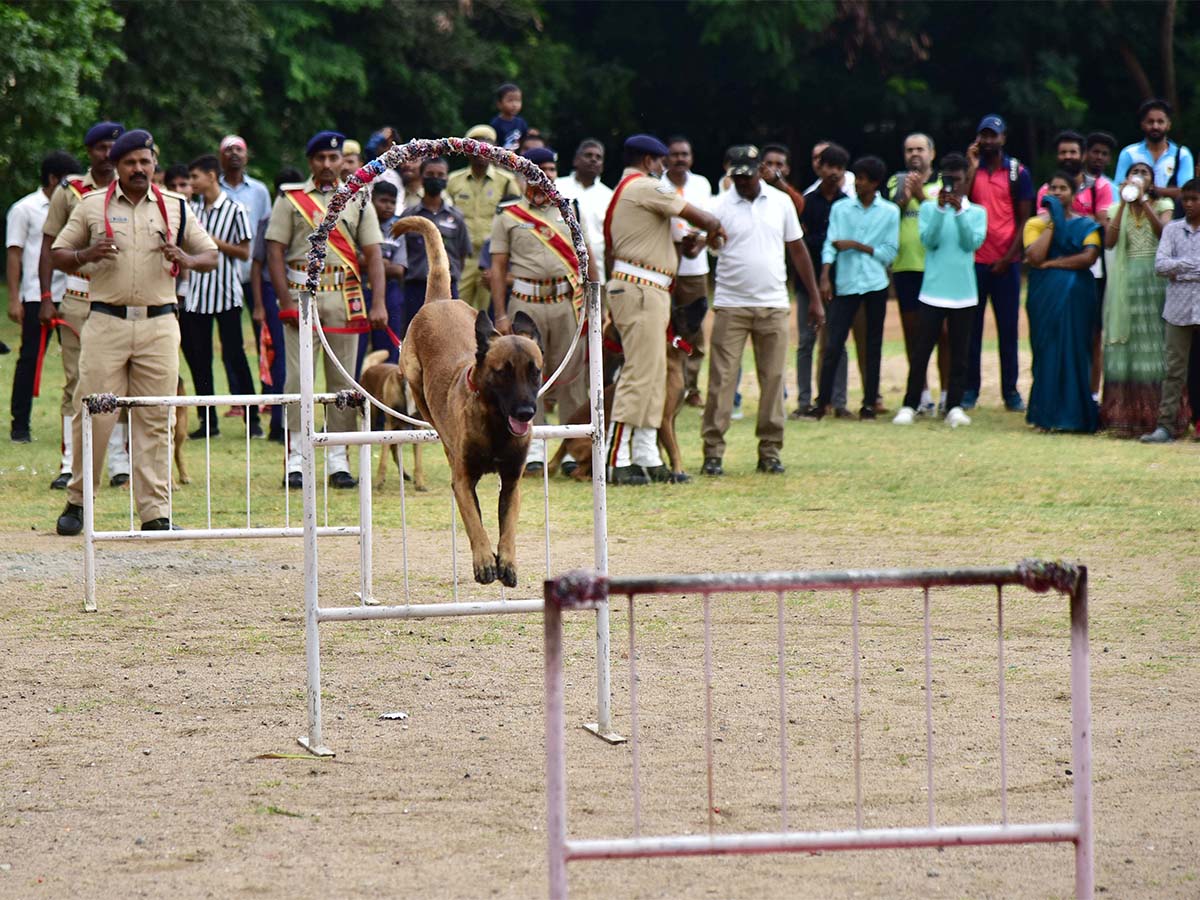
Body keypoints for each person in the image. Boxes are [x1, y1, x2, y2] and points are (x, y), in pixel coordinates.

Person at [51, 129, 219, 535]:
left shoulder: (176, 206)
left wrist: (187, 259)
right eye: (130, 163)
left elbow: (211, 254)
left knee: (156, 415)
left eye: (145, 162)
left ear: (154, 163)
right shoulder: (92, 205)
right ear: (117, 167)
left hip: (160, 323)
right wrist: (86, 255)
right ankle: (77, 501)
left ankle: (154, 513)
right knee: (92, 413)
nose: (139, 169)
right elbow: (58, 253)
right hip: (105, 320)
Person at [265, 131, 387, 489]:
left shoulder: (359, 197)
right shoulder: (291, 199)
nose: (328, 165)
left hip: (346, 297)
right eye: (320, 158)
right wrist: (284, 303)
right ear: (311, 162)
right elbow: (274, 251)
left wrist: (378, 301)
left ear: (342, 161)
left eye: (334, 158)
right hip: (302, 295)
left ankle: (338, 458)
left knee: (343, 382)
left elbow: (374, 254)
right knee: (297, 379)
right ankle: (296, 458)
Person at [604, 133, 725, 486]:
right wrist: (715, 228)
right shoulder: (644, 186)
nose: (664, 169)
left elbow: (660, 240)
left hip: (649, 286)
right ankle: (618, 458)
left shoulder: (632, 189)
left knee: (654, 374)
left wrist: (686, 245)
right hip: (640, 287)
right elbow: (698, 215)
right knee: (640, 373)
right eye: (660, 162)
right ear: (648, 161)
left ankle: (645, 453)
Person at [701, 145, 823, 476]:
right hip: (731, 304)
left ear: (759, 171)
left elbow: (797, 250)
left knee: (773, 380)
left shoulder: (781, 202)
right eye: (736, 176)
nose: (742, 181)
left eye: (747, 175)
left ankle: (770, 450)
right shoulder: (719, 205)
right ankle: (713, 451)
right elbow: (708, 245)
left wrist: (813, 298)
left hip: (773, 304)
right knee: (721, 380)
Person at [489, 146, 598, 474]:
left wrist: (595, 306)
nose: (545, 174)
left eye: (551, 168)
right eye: (538, 168)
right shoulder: (507, 215)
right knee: (524, 377)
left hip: (565, 303)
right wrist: (500, 314)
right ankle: (532, 445)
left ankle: (572, 447)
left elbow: (588, 258)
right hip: (525, 304)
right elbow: (497, 268)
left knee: (571, 376)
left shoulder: (570, 210)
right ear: (523, 174)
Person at [38, 121, 131, 490]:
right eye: (100, 148)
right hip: (78, 296)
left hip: (121, 297)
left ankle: (119, 464)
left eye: (114, 148)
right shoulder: (70, 190)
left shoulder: (135, 188)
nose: (107, 155)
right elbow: (49, 245)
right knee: (77, 381)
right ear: (89, 151)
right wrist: (46, 297)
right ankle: (69, 463)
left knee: (123, 384)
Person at [892, 153, 988, 428]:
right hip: (932, 291)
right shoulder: (928, 209)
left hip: (964, 292)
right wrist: (939, 209)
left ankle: (954, 405)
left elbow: (972, 243)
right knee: (921, 350)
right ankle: (910, 404)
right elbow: (929, 241)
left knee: (960, 352)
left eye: (957, 180)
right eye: (948, 180)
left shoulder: (977, 212)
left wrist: (958, 213)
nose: (952, 186)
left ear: (965, 181)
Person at [812, 156, 899, 419]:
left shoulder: (889, 212)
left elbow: (890, 253)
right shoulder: (841, 208)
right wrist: (825, 275)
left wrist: (857, 245)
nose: (857, 183)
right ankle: (822, 402)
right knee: (833, 344)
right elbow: (830, 243)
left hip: (874, 285)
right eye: (857, 177)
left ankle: (870, 403)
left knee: (873, 346)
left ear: (875, 183)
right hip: (846, 284)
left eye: (862, 179)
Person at [179, 154, 256, 438]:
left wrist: (213, 243)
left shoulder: (235, 209)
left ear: (211, 176)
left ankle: (253, 420)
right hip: (198, 296)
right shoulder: (192, 211)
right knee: (200, 360)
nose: (192, 184)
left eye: (195, 177)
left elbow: (245, 252)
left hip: (227, 294)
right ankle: (207, 421)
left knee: (235, 357)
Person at [8, 151, 81, 443]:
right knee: (30, 359)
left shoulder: (79, 205)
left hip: (73, 292)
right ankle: (20, 424)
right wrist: (15, 298)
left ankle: (78, 423)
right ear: (53, 179)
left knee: (78, 361)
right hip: (38, 294)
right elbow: (14, 254)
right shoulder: (25, 209)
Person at [1098, 162, 1176, 436]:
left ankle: (1159, 417)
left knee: (1154, 347)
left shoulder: (1163, 204)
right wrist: (1122, 205)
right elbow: (1109, 242)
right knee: (1129, 348)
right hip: (1127, 284)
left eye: (1144, 173)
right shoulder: (1114, 208)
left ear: (1152, 180)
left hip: (1155, 283)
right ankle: (1125, 418)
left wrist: (1143, 202)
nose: (1139, 177)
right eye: (1135, 173)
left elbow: (1164, 234)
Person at [964, 114, 1034, 412]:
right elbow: (961, 204)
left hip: (1007, 262)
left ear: (1004, 138)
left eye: (994, 135)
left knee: (1007, 330)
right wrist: (969, 165)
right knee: (971, 330)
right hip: (973, 262)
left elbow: (1025, 220)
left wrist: (1009, 258)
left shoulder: (1018, 172)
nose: (989, 141)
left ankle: (1010, 391)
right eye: (984, 135)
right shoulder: (971, 170)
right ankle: (969, 390)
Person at [1022, 173, 1102, 433]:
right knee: (1046, 350)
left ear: (1074, 193)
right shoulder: (1035, 224)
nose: (1056, 192)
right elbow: (1035, 257)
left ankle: (1075, 416)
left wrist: (1054, 264)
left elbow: (1089, 257)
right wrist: (1053, 223)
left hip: (1077, 295)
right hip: (1044, 294)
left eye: (1063, 188)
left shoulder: (1086, 225)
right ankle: (1044, 416)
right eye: (1052, 188)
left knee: (1076, 350)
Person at [888, 132, 947, 414]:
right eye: (909, 149)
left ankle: (948, 393)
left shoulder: (943, 183)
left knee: (945, 334)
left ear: (931, 154)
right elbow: (889, 215)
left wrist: (922, 197)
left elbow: (944, 216)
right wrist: (905, 197)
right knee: (914, 335)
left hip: (938, 268)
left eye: (920, 149)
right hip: (906, 267)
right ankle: (921, 393)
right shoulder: (895, 182)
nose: (915, 154)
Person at [794, 143, 850, 418]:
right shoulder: (807, 202)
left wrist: (820, 240)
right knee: (807, 341)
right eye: (830, 166)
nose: (834, 173)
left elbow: (815, 240)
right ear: (820, 167)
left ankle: (839, 402)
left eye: (840, 168)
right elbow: (800, 243)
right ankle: (804, 401)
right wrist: (829, 241)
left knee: (837, 342)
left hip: (840, 283)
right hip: (807, 282)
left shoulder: (846, 204)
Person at [1141, 179, 1200, 443]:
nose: (1188, 203)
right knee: (1174, 370)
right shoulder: (1172, 230)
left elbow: (1171, 267)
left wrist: (1181, 269)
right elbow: (1161, 266)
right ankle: (1165, 426)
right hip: (1178, 310)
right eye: (1185, 198)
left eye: (1194, 199)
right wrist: (1194, 266)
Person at [250, 167, 303, 443]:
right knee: (279, 358)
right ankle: (277, 423)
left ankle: (294, 422)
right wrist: (259, 304)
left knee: (298, 361)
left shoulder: (310, 215)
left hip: (302, 291)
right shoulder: (268, 220)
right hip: (273, 292)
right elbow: (257, 265)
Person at [218, 134, 273, 397]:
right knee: (231, 341)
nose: (234, 154)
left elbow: (266, 234)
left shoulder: (259, 191)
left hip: (254, 276)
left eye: (239, 149)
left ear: (246, 155)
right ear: (221, 157)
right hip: (222, 276)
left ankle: (267, 389)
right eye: (228, 150)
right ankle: (237, 395)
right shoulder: (213, 189)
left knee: (264, 334)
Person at [447, 123, 520, 311]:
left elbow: (516, 218)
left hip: (492, 259)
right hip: (463, 258)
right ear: (466, 149)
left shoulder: (506, 181)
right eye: (476, 143)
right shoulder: (453, 180)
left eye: (488, 144)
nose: (482, 149)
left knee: (487, 315)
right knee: (457, 309)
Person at [663, 136, 713, 408]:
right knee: (665, 326)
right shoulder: (657, 185)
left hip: (695, 269)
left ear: (691, 157)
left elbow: (712, 223)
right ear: (666, 158)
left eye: (684, 154)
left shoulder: (702, 184)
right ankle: (669, 383)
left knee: (694, 329)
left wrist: (700, 242)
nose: (680, 158)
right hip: (664, 265)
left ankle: (692, 387)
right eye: (675, 154)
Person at [397, 156, 471, 334]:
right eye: (430, 174)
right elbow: (400, 253)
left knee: (447, 339)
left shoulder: (457, 218)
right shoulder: (408, 217)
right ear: (421, 177)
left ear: (446, 179)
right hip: (415, 288)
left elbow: (461, 256)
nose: (435, 178)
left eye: (440, 175)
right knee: (413, 338)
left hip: (447, 289)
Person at [1113, 99, 1195, 208]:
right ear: (1142, 124)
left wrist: (1154, 190)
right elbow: (1118, 189)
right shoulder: (1129, 153)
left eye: (1160, 121)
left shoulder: (1182, 155)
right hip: (1134, 214)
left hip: (1172, 217)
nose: (1155, 126)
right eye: (1150, 122)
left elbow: (1186, 192)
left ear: (1168, 124)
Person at [361, 180, 406, 363]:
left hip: (390, 292)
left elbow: (398, 270)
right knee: (358, 346)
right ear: (371, 200)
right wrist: (381, 262)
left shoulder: (399, 229)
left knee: (388, 348)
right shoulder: (360, 224)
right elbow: (354, 261)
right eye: (383, 201)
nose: (388, 206)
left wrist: (372, 261)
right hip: (361, 289)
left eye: (392, 202)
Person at [555, 139, 612, 276]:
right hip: (561, 270)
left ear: (602, 165)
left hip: (597, 272)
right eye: (588, 155)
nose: (593, 160)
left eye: (598, 157)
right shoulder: (557, 187)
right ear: (576, 160)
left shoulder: (609, 196)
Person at [490, 82, 527, 152]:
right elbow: (493, 145)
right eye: (510, 100)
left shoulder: (521, 122)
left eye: (518, 100)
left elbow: (524, 143)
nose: (515, 104)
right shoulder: (496, 123)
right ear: (499, 104)